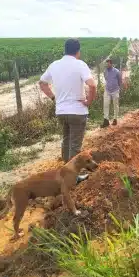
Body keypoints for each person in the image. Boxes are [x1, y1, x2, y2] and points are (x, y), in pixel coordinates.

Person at [39, 39, 96, 182]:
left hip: (61, 111)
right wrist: (88, 101)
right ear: (78, 51)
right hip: (77, 111)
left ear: (65, 50)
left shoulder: (54, 65)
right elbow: (92, 85)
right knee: (75, 146)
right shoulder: (80, 64)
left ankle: (65, 172)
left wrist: (54, 98)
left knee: (66, 140)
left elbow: (42, 83)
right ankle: (72, 178)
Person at [101, 58, 122, 128]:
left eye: (108, 63)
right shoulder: (105, 71)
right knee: (105, 104)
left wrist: (118, 88)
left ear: (111, 64)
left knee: (115, 105)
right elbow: (106, 79)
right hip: (107, 90)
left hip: (115, 90)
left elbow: (119, 81)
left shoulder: (116, 71)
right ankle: (106, 120)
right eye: (106, 63)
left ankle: (115, 119)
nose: (107, 64)